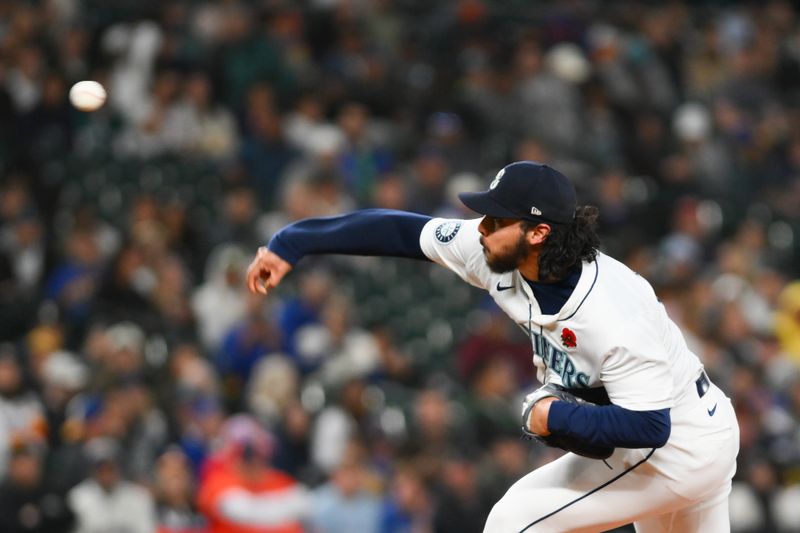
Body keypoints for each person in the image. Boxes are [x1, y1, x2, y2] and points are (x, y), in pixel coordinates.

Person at [245, 161, 740, 532]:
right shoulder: (496, 252)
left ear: (539, 232)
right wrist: (294, 241)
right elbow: (397, 229)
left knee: (514, 521)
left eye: (495, 220)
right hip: (691, 431)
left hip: (675, 446)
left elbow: (650, 426)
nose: (479, 229)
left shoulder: (612, 312)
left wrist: (553, 418)